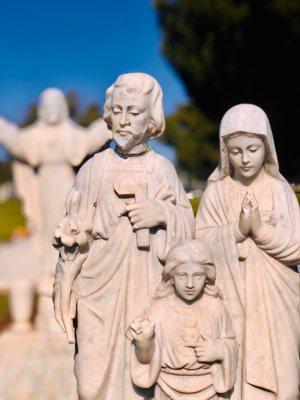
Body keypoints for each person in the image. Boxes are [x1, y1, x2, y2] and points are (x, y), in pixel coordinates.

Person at [53, 73, 195, 399]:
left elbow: (190, 232)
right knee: (89, 385)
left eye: (134, 112)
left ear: (151, 120)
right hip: (97, 287)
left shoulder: (162, 169)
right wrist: (66, 276)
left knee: (140, 382)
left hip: (146, 283)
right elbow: (72, 228)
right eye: (117, 111)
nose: (124, 120)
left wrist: (163, 214)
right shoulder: (93, 168)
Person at [196, 104, 300, 400]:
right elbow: (199, 244)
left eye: (252, 149)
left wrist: (260, 231)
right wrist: (237, 232)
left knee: (286, 387)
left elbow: (296, 246)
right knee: (238, 386)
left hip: (277, 301)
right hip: (232, 301)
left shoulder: (280, 191)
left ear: (266, 147)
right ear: (224, 151)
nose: (244, 159)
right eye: (235, 151)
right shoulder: (216, 192)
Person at [128, 240, 238, 400]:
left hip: (210, 386)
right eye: (182, 276)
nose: (190, 284)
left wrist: (220, 350)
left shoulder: (216, 308)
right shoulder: (158, 309)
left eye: (198, 276)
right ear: (171, 277)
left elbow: (232, 343)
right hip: (167, 386)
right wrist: (143, 342)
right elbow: (146, 359)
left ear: (207, 276)